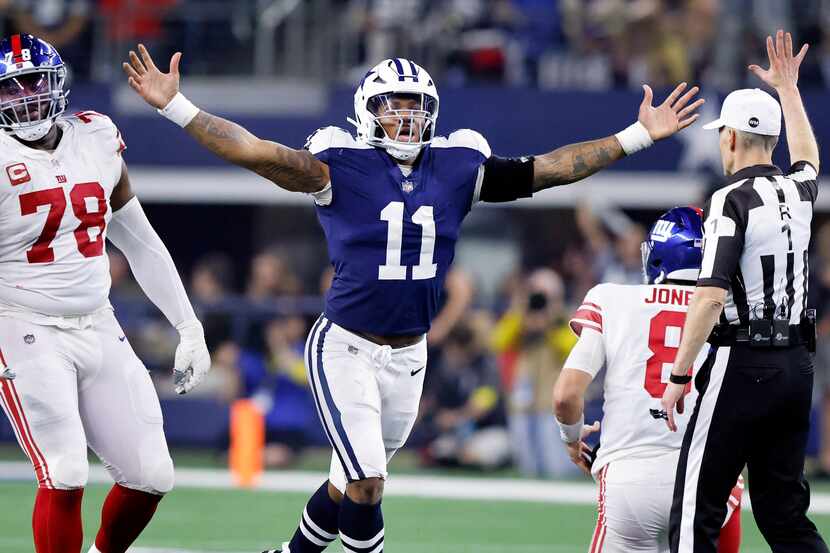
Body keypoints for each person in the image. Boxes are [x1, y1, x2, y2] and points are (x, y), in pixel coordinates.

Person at [123, 44, 703, 553]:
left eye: (415, 105)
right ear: (367, 111)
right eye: (393, 105)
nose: (405, 116)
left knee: (347, 484)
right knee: (369, 481)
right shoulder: (339, 165)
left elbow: (549, 169)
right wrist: (178, 107)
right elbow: (257, 151)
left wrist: (637, 136)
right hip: (346, 345)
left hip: (411, 354)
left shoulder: (457, 166)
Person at [0, 34, 211, 553]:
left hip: (96, 319)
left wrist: (188, 324)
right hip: (21, 319)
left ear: (60, 84)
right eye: (12, 88)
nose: (26, 96)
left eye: (35, 83)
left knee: (152, 474)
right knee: (65, 470)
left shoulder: (94, 135)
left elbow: (138, 239)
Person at [661, 30, 828, 553]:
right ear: (772, 142)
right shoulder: (798, 191)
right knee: (783, 515)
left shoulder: (729, 198)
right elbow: (809, 157)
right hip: (798, 366)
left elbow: (710, 296)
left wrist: (680, 373)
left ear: (729, 138)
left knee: (695, 512)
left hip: (743, 360)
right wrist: (790, 92)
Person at [553, 207, 742, 553]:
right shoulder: (734, 310)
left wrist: (571, 437)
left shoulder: (611, 299)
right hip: (709, 483)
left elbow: (566, 396)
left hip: (629, 480)